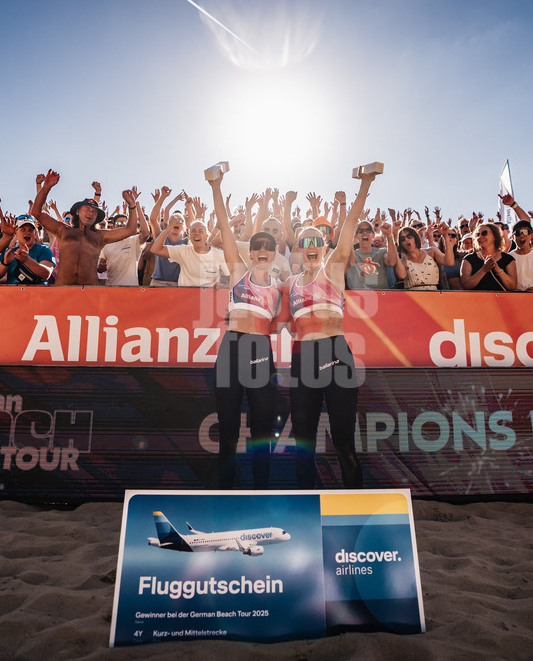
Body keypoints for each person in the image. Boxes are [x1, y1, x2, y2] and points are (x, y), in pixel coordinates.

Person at [288, 172, 377, 489]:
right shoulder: (290, 284)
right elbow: (288, 326)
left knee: (343, 442)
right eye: (304, 242)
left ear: (324, 246)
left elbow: (350, 225)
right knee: (303, 446)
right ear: (298, 249)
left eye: (316, 241)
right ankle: (306, 511)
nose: (311, 246)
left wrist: (364, 186)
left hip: (336, 355)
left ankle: (353, 509)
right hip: (302, 361)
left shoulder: (334, 268)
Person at [207, 168, 284, 489]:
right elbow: (225, 228)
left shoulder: (282, 287)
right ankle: (226, 493)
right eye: (257, 246)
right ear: (250, 253)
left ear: (274, 252)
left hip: (260, 354)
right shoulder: (238, 271)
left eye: (268, 245)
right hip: (231, 350)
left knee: (262, 429)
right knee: (227, 429)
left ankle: (261, 491)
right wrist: (216, 186)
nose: (262, 249)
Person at [30, 171, 138, 285]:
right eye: (86, 209)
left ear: (97, 217)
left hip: (90, 291)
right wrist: (46, 187)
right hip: (63, 289)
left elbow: (130, 230)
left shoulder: (100, 236)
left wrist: (132, 205)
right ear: (77, 212)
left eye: (94, 212)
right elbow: (36, 213)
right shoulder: (63, 230)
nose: (90, 213)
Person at [150, 207, 228, 288]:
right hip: (185, 297)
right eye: (193, 231)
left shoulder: (218, 254)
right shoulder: (183, 250)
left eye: (200, 231)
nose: (196, 233)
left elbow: (231, 275)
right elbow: (155, 249)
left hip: (207, 298)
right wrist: (170, 227)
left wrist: (223, 283)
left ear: (207, 235)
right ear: (189, 236)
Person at [0, 215, 55, 285]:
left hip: (37, 294)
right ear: (15, 233)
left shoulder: (44, 250)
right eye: (23, 229)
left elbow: (46, 274)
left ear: (35, 233)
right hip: (12, 294)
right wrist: (5, 263)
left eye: (31, 230)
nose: (27, 232)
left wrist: (26, 260)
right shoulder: (9, 252)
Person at [394, 222, 454, 290]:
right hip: (413, 297)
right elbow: (401, 275)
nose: (406, 239)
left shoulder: (431, 251)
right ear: (401, 244)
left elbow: (449, 262)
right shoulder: (403, 262)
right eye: (402, 239)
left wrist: (446, 236)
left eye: (409, 236)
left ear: (415, 237)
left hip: (434, 296)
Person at [460, 222, 517, 291]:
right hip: (476, 300)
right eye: (477, 235)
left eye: (484, 233)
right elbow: (465, 285)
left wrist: (499, 271)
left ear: (495, 236)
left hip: (501, 301)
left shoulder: (508, 259)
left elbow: (512, 287)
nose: (480, 237)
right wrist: (483, 270)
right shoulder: (468, 259)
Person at [346, 220, 396, 289]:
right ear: (356, 236)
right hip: (359, 295)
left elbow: (391, 262)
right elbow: (351, 264)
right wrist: (350, 237)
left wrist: (389, 236)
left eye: (368, 230)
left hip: (382, 295)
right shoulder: (354, 254)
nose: (365, 233)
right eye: (360, 231)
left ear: (373, 235)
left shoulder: (381, 252)